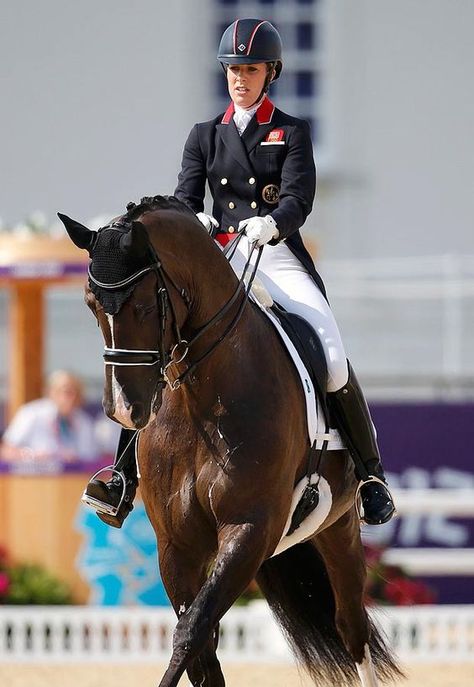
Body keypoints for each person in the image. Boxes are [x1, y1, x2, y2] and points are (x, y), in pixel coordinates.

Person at [84, 18, 395, 529]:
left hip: (272, 252)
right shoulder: (205, 135)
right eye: (232, 70)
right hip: (219, 258)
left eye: (249, 69)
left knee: (332, 354)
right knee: (162, 344)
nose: (239, 78)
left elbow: (299, 198)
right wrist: (196, 221)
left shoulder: (291, 131)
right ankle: (121, 476)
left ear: (268, 72)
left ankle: (369, 475)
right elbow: (185, 199)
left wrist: (270, 225)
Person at [0, 370, 99, 463]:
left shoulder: (84, 421)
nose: (73, 397)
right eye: (67, 391)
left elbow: (91, 457)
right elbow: (6, 451)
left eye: (77, 392)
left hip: (73, 478)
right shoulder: (31, 414)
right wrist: (33, 456)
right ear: (52, 392)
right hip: (35, 478)